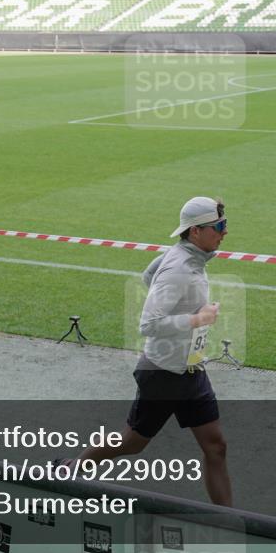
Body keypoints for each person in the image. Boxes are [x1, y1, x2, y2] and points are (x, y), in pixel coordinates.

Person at [66, 196, 232, 506]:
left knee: (216, 446)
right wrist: (198, 318)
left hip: (191, 370)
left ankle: (228, 521)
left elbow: (148, 275)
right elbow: (149, 323)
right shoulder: (178, 268)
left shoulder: (189, 257)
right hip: (162, 374)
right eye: (219, 226)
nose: (225, 232)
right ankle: (70, 469)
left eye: (225, 225)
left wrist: (184, 310)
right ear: (195, 231)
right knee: (131, 443)